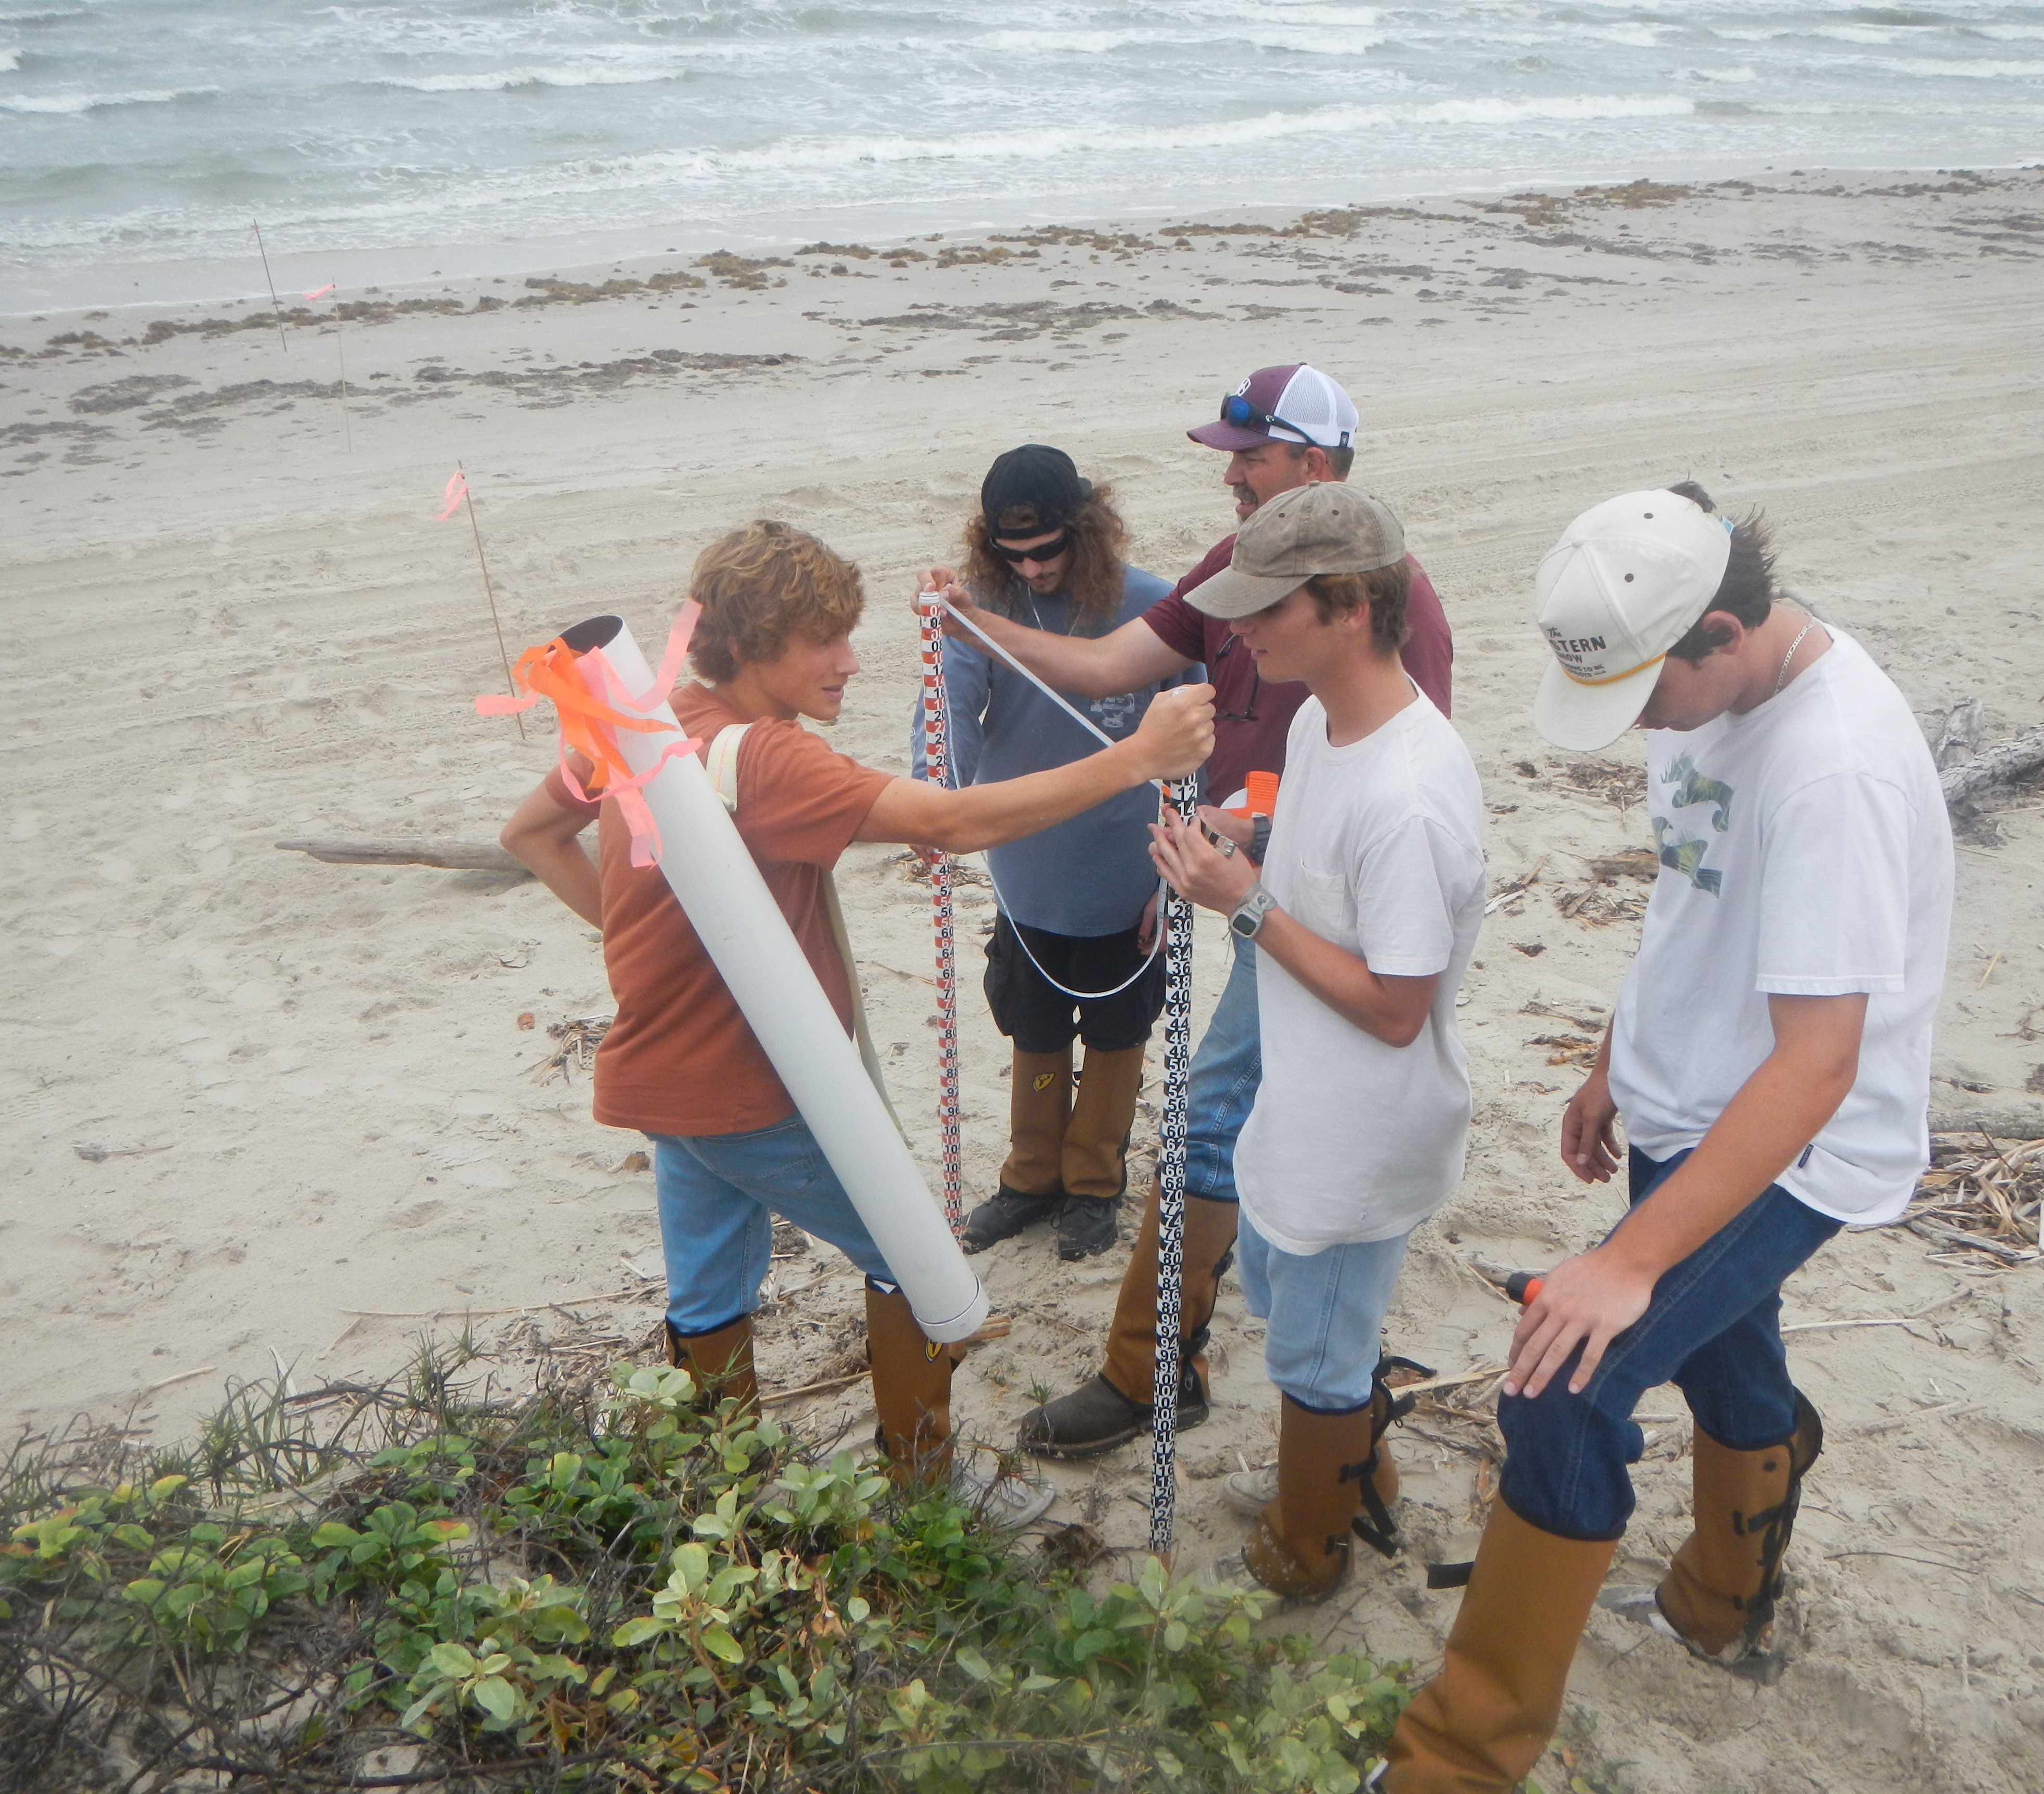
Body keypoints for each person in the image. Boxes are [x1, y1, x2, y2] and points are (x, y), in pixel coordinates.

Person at [1377, 486, 1953, 1791]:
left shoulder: (1834, 763)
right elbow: (1694, 899)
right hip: (1686, 1095)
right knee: (1728, 1357)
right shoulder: (1696, 692)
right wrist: (1614, 1062)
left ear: (1727, 633)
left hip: (1790, 1143)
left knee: (1562, 1382)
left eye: (1647, 696)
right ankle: (1721, 1609)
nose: (1634, 725)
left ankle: (1459, 1760)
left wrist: (1627, 1258)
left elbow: (1818, 1064)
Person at [498, 520, 1213, 1528]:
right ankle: (924, 1488)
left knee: (708, 1296)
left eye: (848, 633)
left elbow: (529, 834)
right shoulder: (770, 761)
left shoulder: (642, 720)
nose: (848, 660)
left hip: (660, 1079)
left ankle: (723, 1494)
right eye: (820, 640)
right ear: (748, 648)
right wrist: (1137, 755)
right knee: (912, 1260)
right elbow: (950, 823)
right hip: (753, 1088)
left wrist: (670, 954)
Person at [936, 364, 1457, 1460]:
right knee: (1218, 1125)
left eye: (1248, 455)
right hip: (1261, 895)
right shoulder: (1243, 570)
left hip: (1312, 928)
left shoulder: (1396, 633)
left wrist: (1240, 873)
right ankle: (1179, 1356)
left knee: (1215, 1124)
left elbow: (1381, 829)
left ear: (1311, 464)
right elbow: (1107, 667)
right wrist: (975, 627)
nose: (1228, 474)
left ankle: (1158, 1372)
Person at [1144, 484, 1485, 1600]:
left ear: (1346, 607)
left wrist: (1241, 902)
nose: (1238, 632)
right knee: (1285, 1306)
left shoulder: (1413, 793)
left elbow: (1397, 1006)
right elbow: (1315, 842)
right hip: (1302, 1103)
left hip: (1361, 1131)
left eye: (1264, 610)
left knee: (1315, 1359)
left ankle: (1310, 1553)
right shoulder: (1316, 719)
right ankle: (1353, 1477)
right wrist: (1249, 835)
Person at [913, 445, 1193, 1262]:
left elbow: (1200, 748)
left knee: (1116, 1033)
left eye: (1049, 551)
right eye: (1014, 555)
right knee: (1033, 1029)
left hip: (1127, 874)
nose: (1032, 571)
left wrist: (1177, 869)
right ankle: (1031, 1178)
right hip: (1029, 876)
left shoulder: (1154, 609)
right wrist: (931, 800)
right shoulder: (984, 611)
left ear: (1090, 530)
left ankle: (1095, 1183)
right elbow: (949, 714)